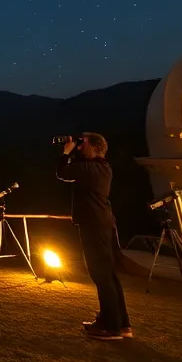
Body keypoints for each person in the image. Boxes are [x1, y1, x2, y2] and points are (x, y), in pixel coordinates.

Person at [57, 133, 131, 341]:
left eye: (83, 143)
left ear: (95, 147)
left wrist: (66, 152)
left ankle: (111, 327)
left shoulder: (92, 168)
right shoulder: (101, 167)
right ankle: (120, 323)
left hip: (94, 224)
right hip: (103, 223)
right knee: (108, 274)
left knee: (101, 273)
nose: (79, 147)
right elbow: (75, 169)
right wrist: (76, 149)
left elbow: (62, 172)